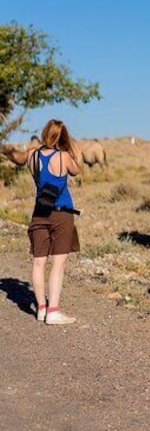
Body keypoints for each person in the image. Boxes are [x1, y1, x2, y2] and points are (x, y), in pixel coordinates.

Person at [26, 119, 81, 325]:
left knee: (39, 261)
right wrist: (70, 146)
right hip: (62, 213)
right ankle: (53, 311)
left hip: (39, 212)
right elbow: (76, 170)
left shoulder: (32, 156)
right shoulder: (65, 156)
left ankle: (41, 308)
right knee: (58, 264)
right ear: (63, 136)